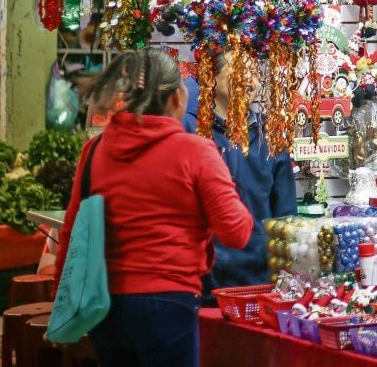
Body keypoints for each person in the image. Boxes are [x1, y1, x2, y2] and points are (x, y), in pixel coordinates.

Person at [56, 49, 253, 367]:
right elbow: (237, 233)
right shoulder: (197, 152)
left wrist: (62, 298)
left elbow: (70, 232)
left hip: (104, 306)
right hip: (170, 304)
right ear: (177, 97)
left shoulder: (94, 150)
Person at [182, 52, 297, 295]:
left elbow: (286, 216)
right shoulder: (189, 130)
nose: (250, 81)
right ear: (212, 78)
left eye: (254, 73)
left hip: (259, 279)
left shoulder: (271, 136)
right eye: (239, 71)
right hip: (203, 281)